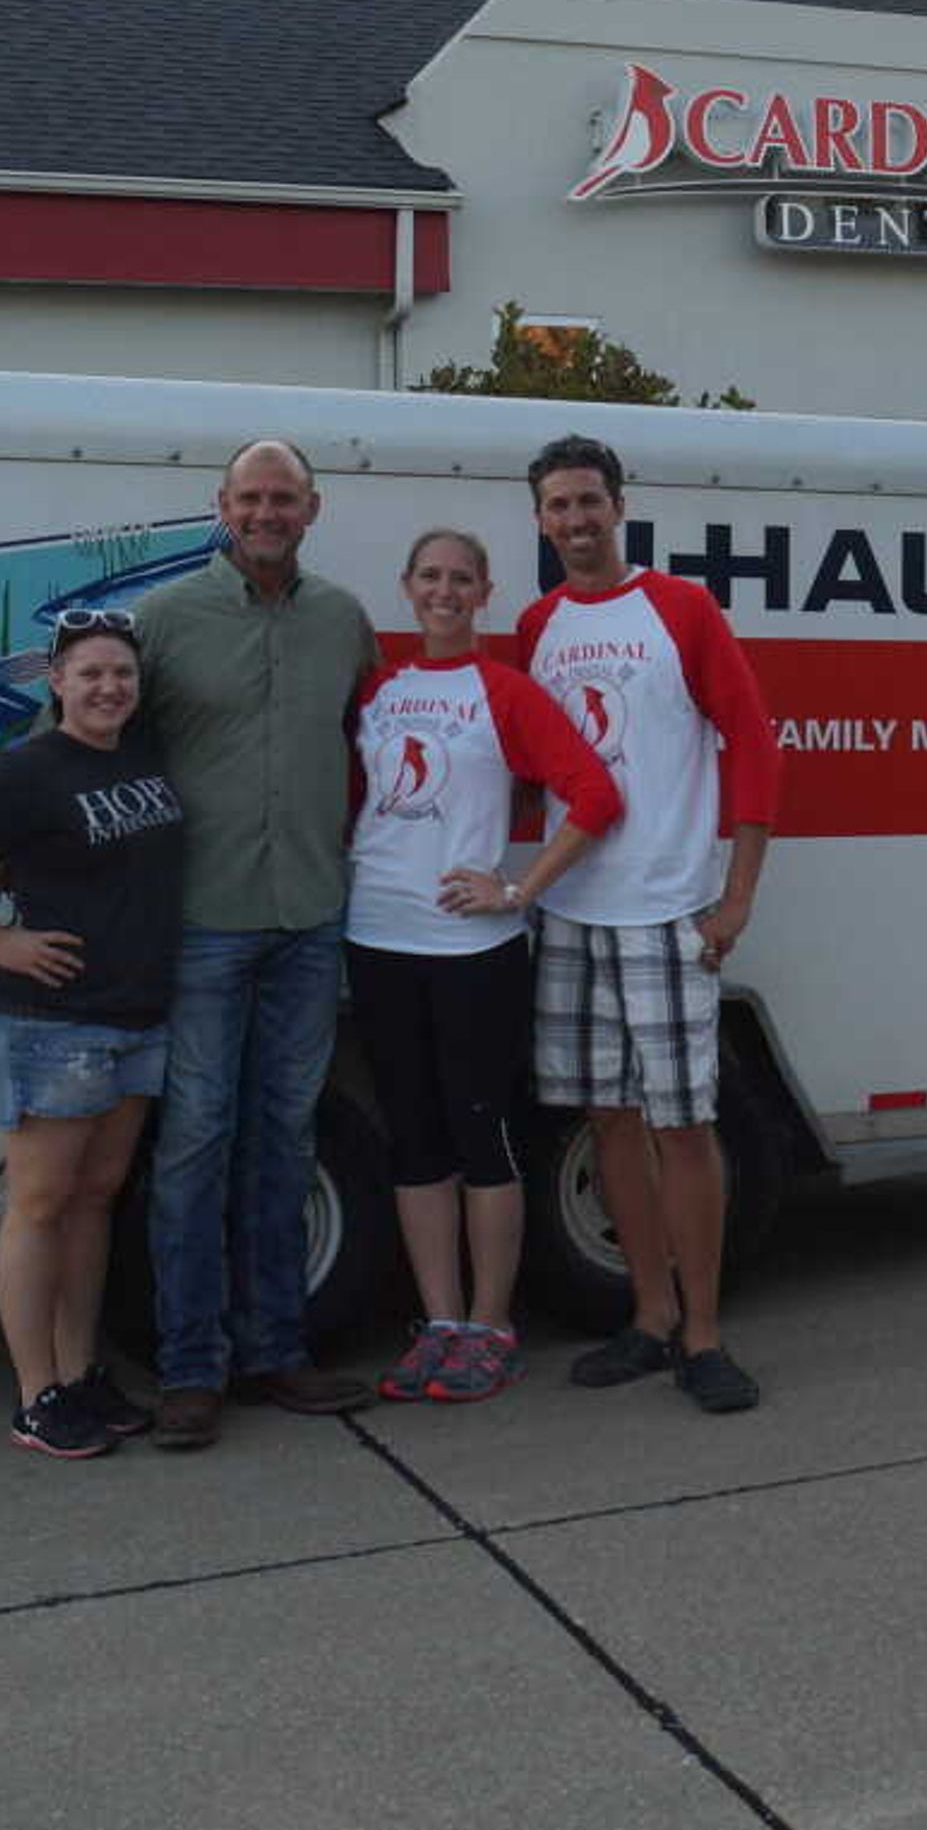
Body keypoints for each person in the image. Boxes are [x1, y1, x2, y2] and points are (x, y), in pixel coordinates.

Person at [507, 433, 783, 1413]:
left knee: (684, 1124)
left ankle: (705, 1334)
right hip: (573, 914)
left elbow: (751, 740)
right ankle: (650, 1316)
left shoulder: (680, 609)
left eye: (589, 502)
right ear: (539, 521)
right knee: (610, 1122)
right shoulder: (536, 624)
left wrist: (739, 891)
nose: (576, 521)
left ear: (619, 506)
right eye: (558, 507)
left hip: (669, 907)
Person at [130, 438, 385, 1448]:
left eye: (284, 499)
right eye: (251, 497)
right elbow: (88, 734)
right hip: (205, 923)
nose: (267, 513)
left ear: (312, 511)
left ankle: (277, 1350)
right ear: (220, 506)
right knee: (193, 1144)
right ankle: (190, 1370)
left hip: (311, 920)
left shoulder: (342, 622)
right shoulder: (164, 620)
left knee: (286, 1140)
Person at [0, 613, 186, 1460]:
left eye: (121, 673)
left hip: (134, 1018)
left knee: (95, 1200)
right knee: (41, 1204)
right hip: (50, 1026)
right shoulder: (28, 769)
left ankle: (81, 1371)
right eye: (89, 673)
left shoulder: (139, 756)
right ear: (56, 684)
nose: (107, 688)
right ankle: (35, 1395)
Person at [346, 526, 625, 1404]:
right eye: (429, 576)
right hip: (377, 937)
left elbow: (595, 794)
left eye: (460, 579)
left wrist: (518, 888)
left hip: (473, 951)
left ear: (483, 592)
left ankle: (491, 1325)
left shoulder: (504, 691)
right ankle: (440, 1323)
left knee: (483, 1135)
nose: (443, 591)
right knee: (415, 1140)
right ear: (407, 585)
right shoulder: (379, 691)